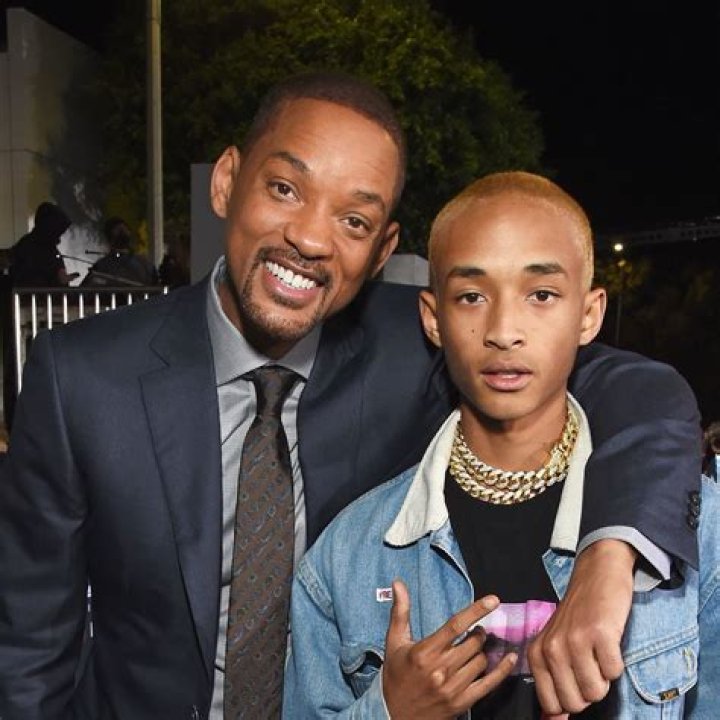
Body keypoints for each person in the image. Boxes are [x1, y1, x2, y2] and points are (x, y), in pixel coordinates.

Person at [0, 73, 701, 719]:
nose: (309, 237)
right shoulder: (82, 376)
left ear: (382, 248)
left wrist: (610, 556)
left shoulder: (423, 340)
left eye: (354, 221)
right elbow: (31, 649)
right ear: (226, 182)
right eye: (285, 189)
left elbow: (635, 389)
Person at [284, 172, 718, 718]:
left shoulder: (700, 534)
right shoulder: (348, 555)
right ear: (433, 319)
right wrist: (389, 711)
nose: (504, 330)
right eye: (471, 296)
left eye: (541, 295)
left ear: (588, 315)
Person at [10, 201, 79, 287]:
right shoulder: (28, 247)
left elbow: (58, 270)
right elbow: (28, 278)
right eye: (57, 233)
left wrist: (62, 277)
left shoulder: (50, 248)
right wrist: (58, 280)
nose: (59, 238)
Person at [82, 217, 158, 287]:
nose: (122, 230)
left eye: (123, 229)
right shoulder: (101, 266)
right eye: (118, 229)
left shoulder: (144, 264)